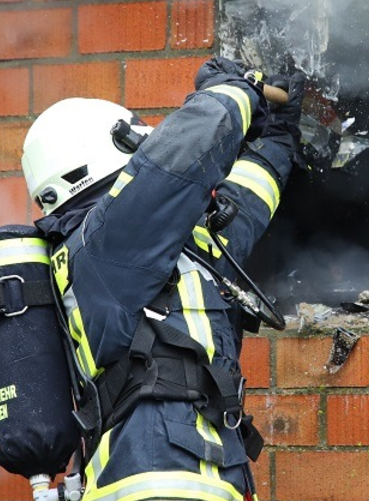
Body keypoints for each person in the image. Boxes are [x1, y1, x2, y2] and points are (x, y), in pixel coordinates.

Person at [18, 56, 303, 501]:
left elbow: (241, 208)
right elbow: (178, 158)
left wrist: (276, 135)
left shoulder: (148, 248)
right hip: (155, 483)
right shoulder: (104, 242)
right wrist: (233, 92)